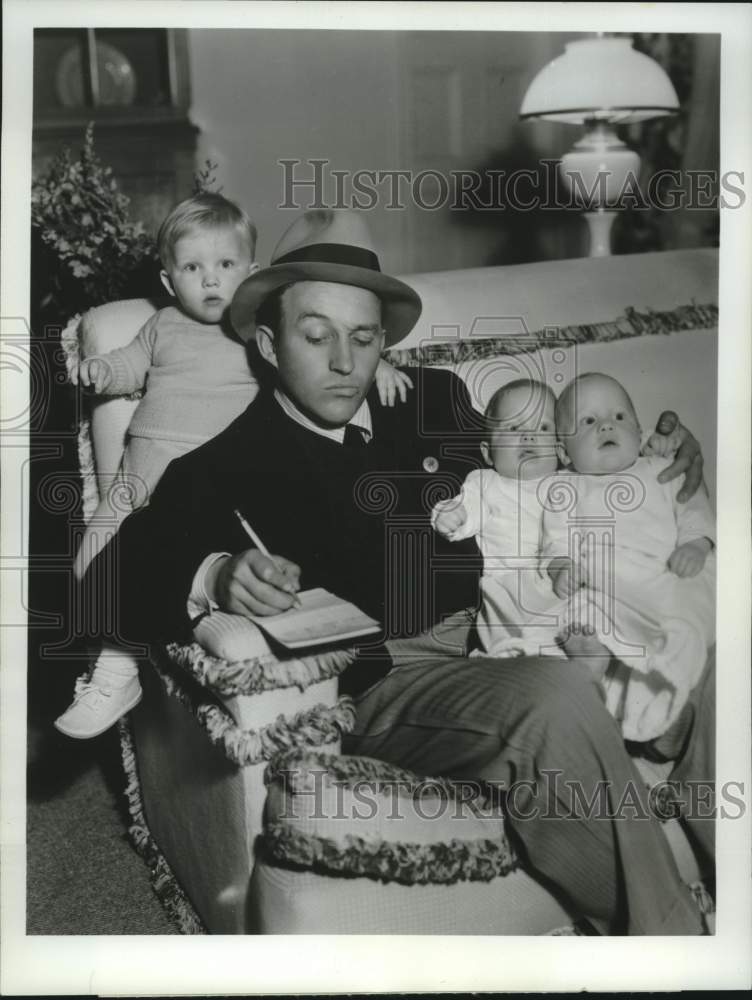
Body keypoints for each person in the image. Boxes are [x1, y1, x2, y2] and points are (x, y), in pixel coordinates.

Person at [82, 208, 713, 934]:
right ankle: (679, 942)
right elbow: (108, 580)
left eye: (363, 336)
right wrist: (216, 574)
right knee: (556, 696)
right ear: (267, 341)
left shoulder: (433, 401)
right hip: (391, 678)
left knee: (717, 644)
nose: (344, 363)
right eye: (316, 337)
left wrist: (661, 454)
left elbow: (545, 455)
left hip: (517, 626)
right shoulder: (227, 462)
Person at [56, 197, 411, 738]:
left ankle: (116, 666)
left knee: (153, 554)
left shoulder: (252, 345)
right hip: (142, 468)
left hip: (200, 472)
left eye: (225, 266)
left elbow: (330, 361)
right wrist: (100, 370)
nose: (209, 281)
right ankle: (113, 664)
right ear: (169, 279)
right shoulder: (163, 327)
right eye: (193, 268)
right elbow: (128, 365)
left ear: (248, 272)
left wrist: (376, 360)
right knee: (93, 562)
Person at [541, 372, 715, 743]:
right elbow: (554, 541)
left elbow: (693, 505)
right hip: (604, 581)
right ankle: (596, 685)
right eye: (588, 421)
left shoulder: (659, 470)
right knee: (581, 614)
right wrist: (561, 567)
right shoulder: (563, 487)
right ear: (563, 452)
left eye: (619, 417)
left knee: (690, 607)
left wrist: (697, 543)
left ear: (639, 432)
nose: (606, 424)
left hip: (663, 573)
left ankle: (662, 678)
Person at [431, 377, 561, 657]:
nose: (529, 436)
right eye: (514, 428)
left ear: (562, 446)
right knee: (513, 639)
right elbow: (470, 506)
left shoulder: (572, 479)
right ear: (488, 453)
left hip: (564, 577)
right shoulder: (485, 482)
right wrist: (454, 515)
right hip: (510, 587)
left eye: (543, 427)